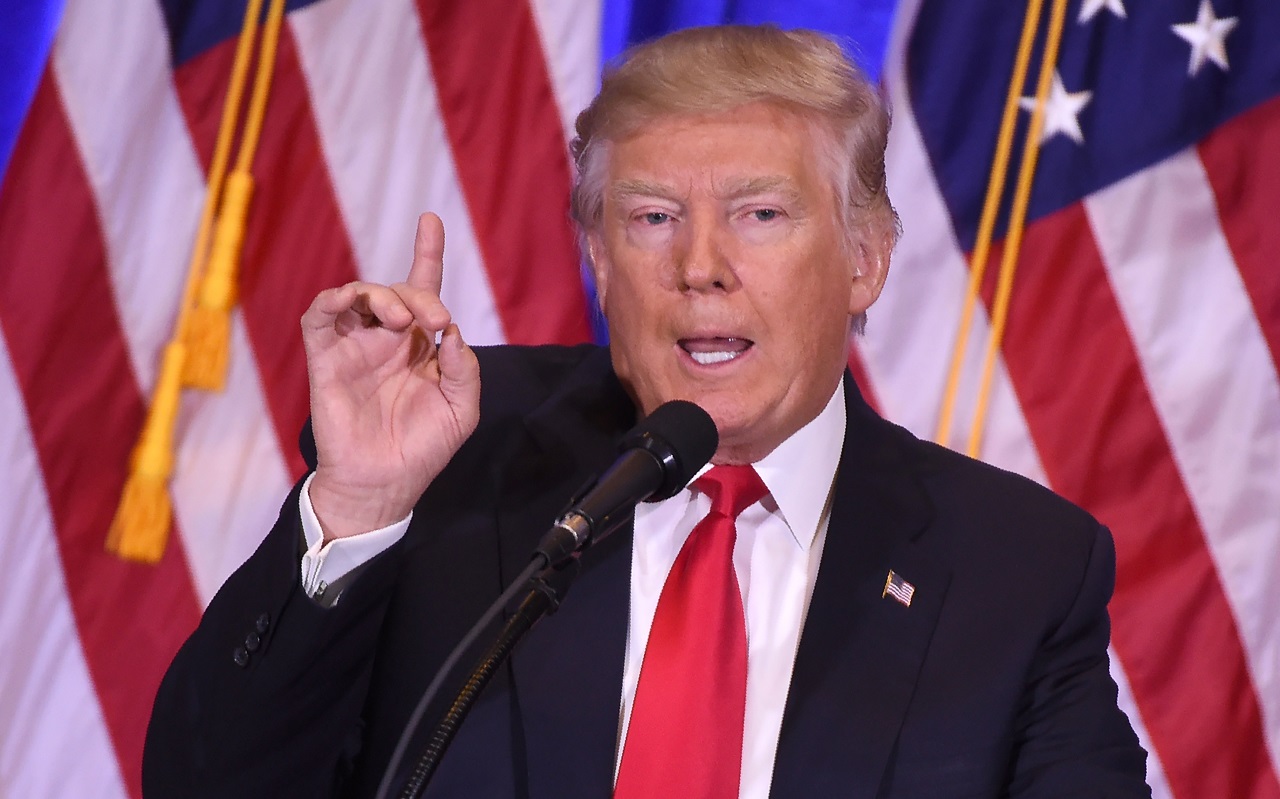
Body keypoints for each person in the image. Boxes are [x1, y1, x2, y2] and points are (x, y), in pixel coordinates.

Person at [143, 24, 1151, 799]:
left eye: (760, 214)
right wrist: (360, 508)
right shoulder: (453, 463)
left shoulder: (1015, 567)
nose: (700, 266)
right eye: (653, 218)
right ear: (598, 258)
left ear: (864, 259)